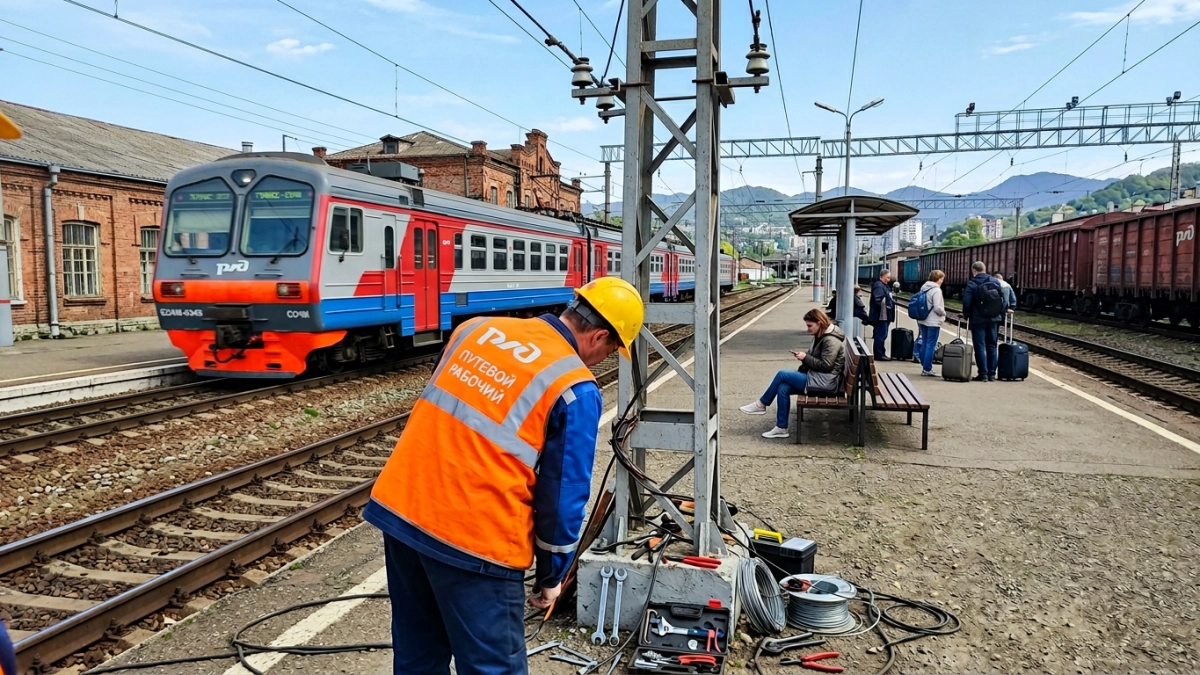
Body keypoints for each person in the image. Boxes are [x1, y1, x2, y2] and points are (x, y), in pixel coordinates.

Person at [363, 277, 644, 675]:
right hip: (477, 541)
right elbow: (564, 495)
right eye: (612, 350)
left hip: (401, 511)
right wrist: (552, 575)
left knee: (418, 656)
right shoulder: (574, 388)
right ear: (599, 337)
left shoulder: (474, 329)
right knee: (493, 667)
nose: (602, 360)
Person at [739, 308, 846, 439]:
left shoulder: (831, 340)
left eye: (810, 326)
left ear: (819, 323)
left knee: (782, 374)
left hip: (826, 382)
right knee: (782, 388)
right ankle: (781, 428)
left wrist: (805, 357)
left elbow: (826, 365)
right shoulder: (821, 336)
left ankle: (761, 404)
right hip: (818, 378)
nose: (808, 329)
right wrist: (805, 358)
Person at [962, 261, 1005, 382]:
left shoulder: (972, 283)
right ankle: (992, 374)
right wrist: (1000, 314)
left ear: (973, 270)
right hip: (994, 318)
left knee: (980, 346)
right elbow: (1003, 299)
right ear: (985, 269)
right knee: (992, 345)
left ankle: (983, 374)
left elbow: (967, 301)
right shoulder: (995, 281)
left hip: (978, 318)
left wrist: (967, 314)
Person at [916, 270, 947, 377]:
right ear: (938, 278)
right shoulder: (936, 290)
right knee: (931, 345)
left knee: (924, 342)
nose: (942, 280)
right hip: (933, 321)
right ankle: (927, 368)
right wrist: (943, 313)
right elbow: (937, 307)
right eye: (942, 278)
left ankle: (924, 365)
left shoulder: (924, 288)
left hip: (923, 320)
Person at [868, 269, 896, 360]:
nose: (889, 279)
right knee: (881, 335)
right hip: (881, 316)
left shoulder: (883, 286)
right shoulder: (879, 286)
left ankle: (881, 353)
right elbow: (878, 299)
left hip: (884, 315)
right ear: (882, 277)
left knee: (882, 335)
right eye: (887, 277)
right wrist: (887, 306)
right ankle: (879, 354)